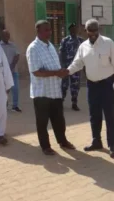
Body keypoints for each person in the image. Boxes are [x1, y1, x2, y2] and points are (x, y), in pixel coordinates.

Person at [65, 19, 114, 159]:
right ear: (85, 31)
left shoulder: (108, 43)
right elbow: (77, 63)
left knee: (110, 115)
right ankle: (96, 141)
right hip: (92, 85)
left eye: (95, 30)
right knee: (94, 115)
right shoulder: (83, 46)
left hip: (107, 85)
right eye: (90, 30)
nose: (93, 33)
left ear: (99, 30)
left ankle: (112, 146)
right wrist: (67, 71)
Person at [26, 20, 75, 156]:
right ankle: (45, 146)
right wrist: (56, 73)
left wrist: (62, 72)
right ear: (38, 31)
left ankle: (62, 141)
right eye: (46, 30)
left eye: (50, 30)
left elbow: (54, 67)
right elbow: (36, 72)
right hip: (42, 93)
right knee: (42, 122)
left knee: (59, 120)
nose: (49, 32)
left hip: (55, 91)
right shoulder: (33, 48)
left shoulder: (51, 46)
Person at [59, 23, 84, 111]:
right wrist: (62, 65)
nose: (74, 30)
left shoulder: (81, 40)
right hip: (66, 67)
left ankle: (74, 103)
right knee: (64, 85)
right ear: (69, 30)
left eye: (75, 29)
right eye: (72, 29)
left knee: (75, 86)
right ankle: (60, 102)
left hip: (76, 67)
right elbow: (61, 53)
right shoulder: (65, 40)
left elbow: (84, 54)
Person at [0, 29, 22, 112]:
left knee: (15, 89)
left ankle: (15, 106)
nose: (7, 37)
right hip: (2, 72)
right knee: (4, 89)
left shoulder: (13, 45)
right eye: (5, 35)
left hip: (13, 71)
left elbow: (17, 55)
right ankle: (4, 104)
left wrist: (12, 66)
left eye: (8, 35)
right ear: (2, 36)